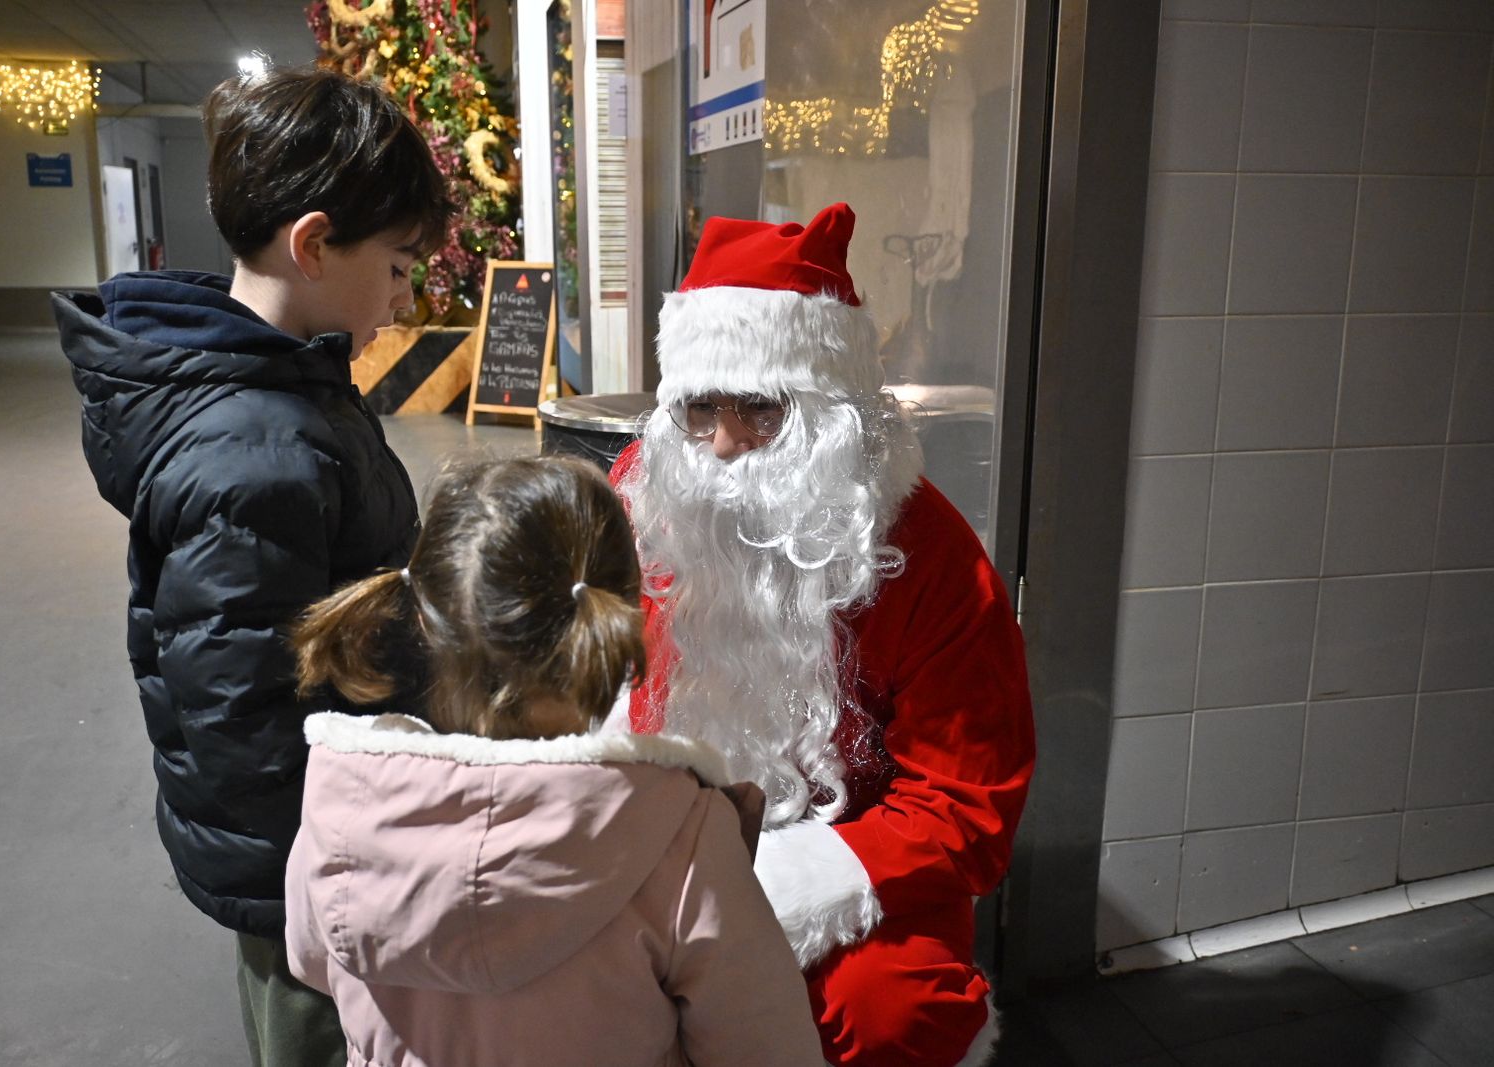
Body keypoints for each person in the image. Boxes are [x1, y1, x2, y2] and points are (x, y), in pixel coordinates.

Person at [52, 66, 452, 1066]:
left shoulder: (287, 383)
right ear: (312, 245)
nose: (405, 296)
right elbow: (242, 712)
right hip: (307, 864)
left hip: (330, 827)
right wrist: (330, 877)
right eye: (398, 265)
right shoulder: (252, 449)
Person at [610, 202, 1037, 1067]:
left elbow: (964, 801)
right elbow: (591, 685)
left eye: (759, 410)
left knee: (890, 1010)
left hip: (863, 857)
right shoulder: (650, 499)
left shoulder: (934, 559)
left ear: (830, 412)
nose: (722, 446)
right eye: (699, 409)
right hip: (664, 838)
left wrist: (782, 882)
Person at [281, 455, 823, 1067]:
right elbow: (764, 1046)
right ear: (617, 615)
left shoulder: (343, 801)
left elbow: (312, 959)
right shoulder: (678, 832)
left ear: (425, 618)